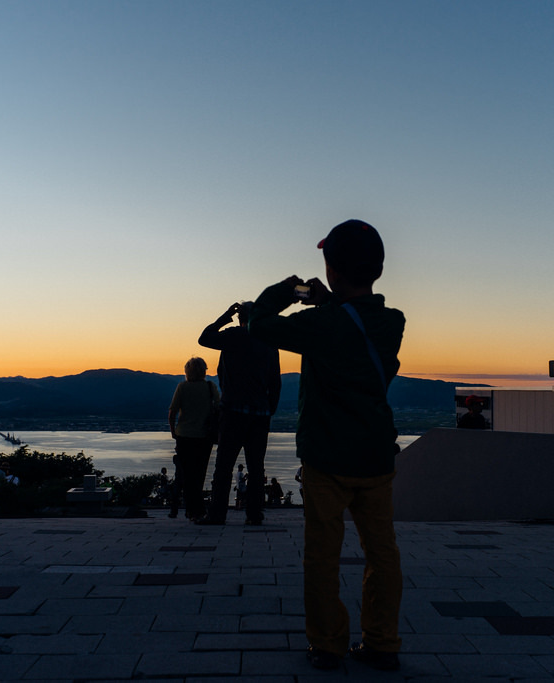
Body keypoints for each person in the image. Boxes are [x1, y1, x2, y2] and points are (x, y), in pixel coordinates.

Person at [249, 219, 405, 672]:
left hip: (327, 457)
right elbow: (352, 323)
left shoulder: (320, 323)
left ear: (331, 269)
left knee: (322, 555)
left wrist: (286, 290)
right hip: (376, 455)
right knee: (383, 553)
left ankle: (328, 644)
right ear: (377, 268)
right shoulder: (392, 322)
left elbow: (259, 323)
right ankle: (383, 643)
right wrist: (331, 299)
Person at [197, 301, 282, 526]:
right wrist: (269, 409)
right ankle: (254, 514)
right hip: (260, 414)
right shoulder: (270, 342)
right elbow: (275, 381)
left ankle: (217, 514)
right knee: (256, 467)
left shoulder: (234, 335)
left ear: (240, 317)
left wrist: (224, 316)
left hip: (233, 411)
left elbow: (204, 338)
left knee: (224, 466)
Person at [167, 357, 219, 520]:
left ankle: (192, 510)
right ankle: (198, 509)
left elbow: (172, 411)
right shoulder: (210, 387)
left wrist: (173, 431)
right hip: (204, 436)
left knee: (187, 475)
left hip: (184, 436)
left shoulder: (182, 387)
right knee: (200, 472)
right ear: (204, 370)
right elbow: (219, 407)